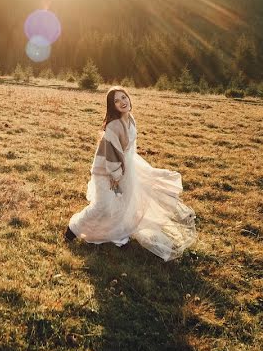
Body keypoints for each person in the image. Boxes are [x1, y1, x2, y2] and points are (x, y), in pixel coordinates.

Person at [66, 87, 197, 261]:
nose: (122, 102)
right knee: (103, 206)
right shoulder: (114, 126)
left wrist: (131, 171)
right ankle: (72, 229)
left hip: (126, 167)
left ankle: (117, 236)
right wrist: (116, 176)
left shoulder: (131, 120)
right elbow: (110, 156)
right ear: (112, 106)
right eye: (117, 101)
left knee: (123, 205)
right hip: (106, 172)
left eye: (124, 97)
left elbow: (130, 149)